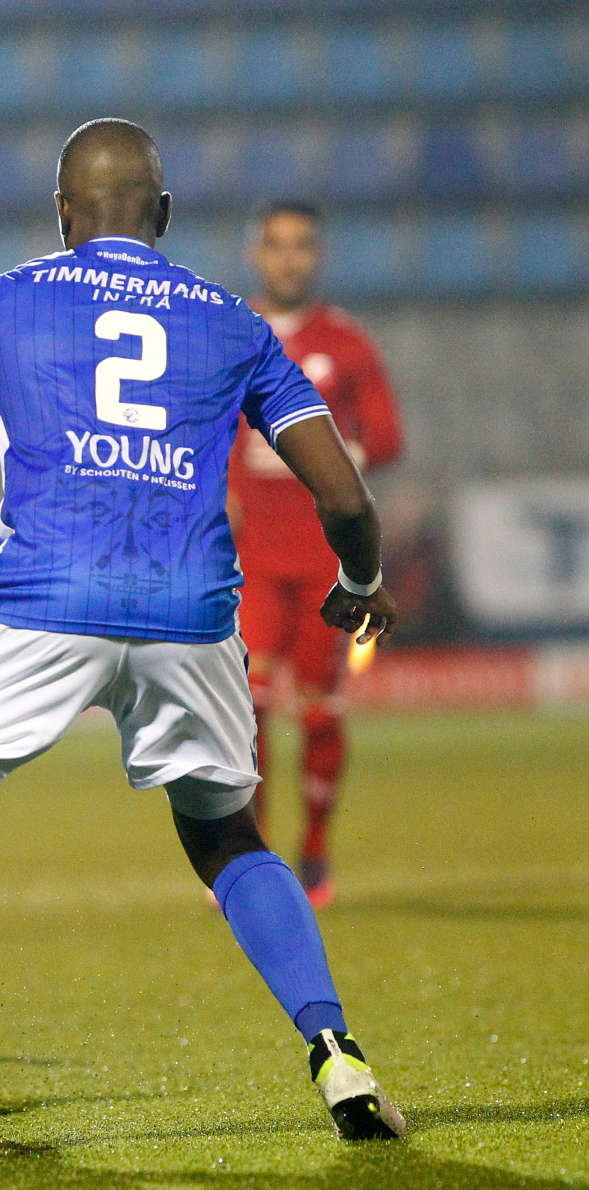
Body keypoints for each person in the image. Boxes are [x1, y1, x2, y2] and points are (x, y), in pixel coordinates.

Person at [0, 119, 406, 1149]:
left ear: (62, 214)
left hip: (40, 599)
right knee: (227, 838)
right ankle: (336, 1052)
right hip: (191, 611)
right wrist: (360, 580)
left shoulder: (3, 301)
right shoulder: (232, 321)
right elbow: (347, 497)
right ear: (166, 216)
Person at [230, 202, 405, 908]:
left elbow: (387, 439)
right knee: (247, 706)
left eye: (302, 246)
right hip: (250, 559)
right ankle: (255, 856)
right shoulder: (231, 333)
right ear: (256, 253)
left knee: (321, 713)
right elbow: (202, 425)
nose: (289, 259)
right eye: (277, 245)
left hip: (328, 559)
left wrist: (320, 456)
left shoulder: (347, 344)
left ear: (317, 256)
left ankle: (315, 850)